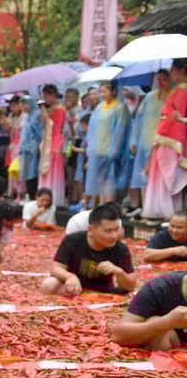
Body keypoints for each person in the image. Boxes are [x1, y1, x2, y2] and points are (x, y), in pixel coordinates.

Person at [41, 204, 136, 296]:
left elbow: (131, 286)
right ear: (91, 229)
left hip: (103, 292)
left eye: (116, 230)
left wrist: (119, 272)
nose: (114, 236)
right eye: (108, 231)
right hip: (72, 288)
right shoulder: (73, 240)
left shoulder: (120, 248)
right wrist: (69, 276)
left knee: (132, 296)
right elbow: (55, 268)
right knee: (49, 284)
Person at [143, 59, 187, 221]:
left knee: (168, 176)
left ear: (181, 71)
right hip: (166, 137)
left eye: (173, 71)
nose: (172, 74)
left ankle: (170, 214)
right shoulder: (177, 92)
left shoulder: (182, 92)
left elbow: (175, 118)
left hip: (171, 138)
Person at [127, 70, 171, 216]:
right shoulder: (150, 97)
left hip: (164, 143)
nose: (161, 82)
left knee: (161, 178)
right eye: (158, 79)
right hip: (145, 142)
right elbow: (139, 120)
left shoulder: (174, 96)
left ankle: (161, 210)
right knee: (143, 176)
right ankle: (147, 209)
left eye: (164, 79)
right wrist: (134, 139)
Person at [111, 272, 187, 350]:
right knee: (155, 322)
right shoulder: (159, 288)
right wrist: (168, 321)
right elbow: (118, 336)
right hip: (172, 347)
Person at [84, 82, 130, 209]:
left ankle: (109, 206)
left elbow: (120, 129)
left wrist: (114, 148)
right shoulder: (99, 107)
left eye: (105, 91)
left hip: (111, 149)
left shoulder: (120, 107)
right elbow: (92, 129)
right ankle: (102, 205)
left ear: (114, 91)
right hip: (98, 148)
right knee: (100, 180)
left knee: (110, 179)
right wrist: (90, 147)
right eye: (101, 92)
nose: (102, 95)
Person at [37, 85, 67, 208]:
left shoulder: (60, 109)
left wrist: (44, 110)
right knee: (47, 171)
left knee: (53, 171)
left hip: (55, 142)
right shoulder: (52, 108)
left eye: (47, 95)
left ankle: (54, 198)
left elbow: (51, 124)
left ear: (53, 94)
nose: (46, 98)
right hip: (48, 142)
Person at [17, 97, 44, 199]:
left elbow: (39, 133)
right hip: (26, 150)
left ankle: (34, 196)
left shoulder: (36, 115)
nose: (22, 107)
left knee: (33, 174)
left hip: (34, 150)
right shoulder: (27, 116)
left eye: (24, 104)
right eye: (21, 105)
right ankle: (29, 195)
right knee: (27, 173)